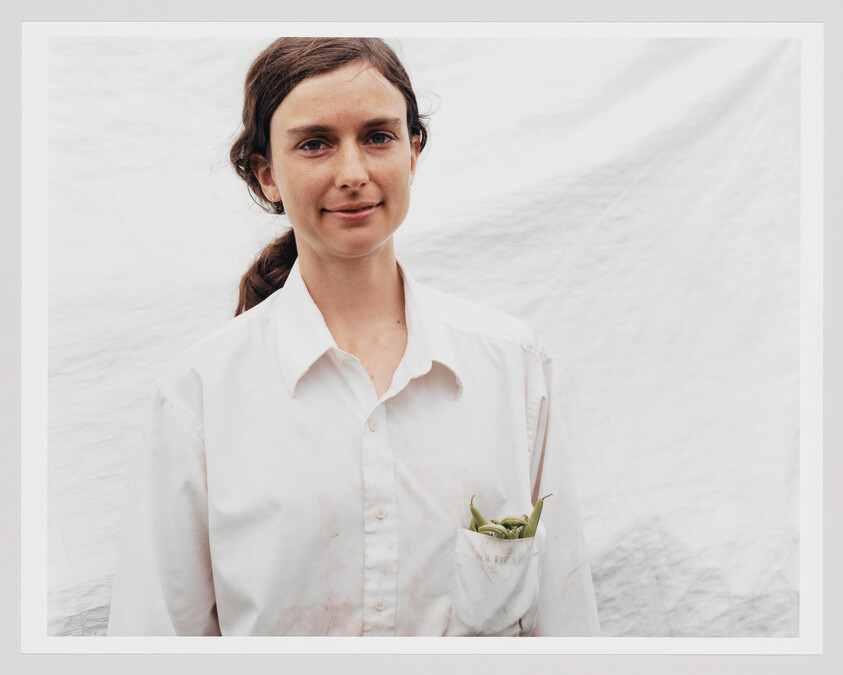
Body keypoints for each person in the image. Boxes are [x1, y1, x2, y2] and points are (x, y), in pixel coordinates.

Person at [107, 37, 600, 637]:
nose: (353, 173)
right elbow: (155, 637)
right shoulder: (199, 395)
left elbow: (566, 620)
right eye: (315, 144)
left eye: (378, 136)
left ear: (413, 152)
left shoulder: (510, 365)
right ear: (266, 175)